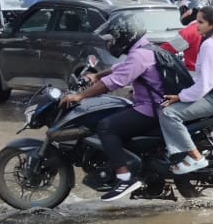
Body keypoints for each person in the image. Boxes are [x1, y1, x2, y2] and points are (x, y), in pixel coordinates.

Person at [60, 13, 163, 201]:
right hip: (152, 105)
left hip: (151, 109)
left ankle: (124, 177)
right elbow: (121, 68)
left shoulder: (140, 55)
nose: (113, 42)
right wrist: (97, 75)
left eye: (115, 37)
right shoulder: (145, 49)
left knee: (106, 126)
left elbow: (114, 82)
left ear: (127, 35)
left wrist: (80, 95)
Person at [159, 5, 213, 175]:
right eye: (196, 21)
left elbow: (205, 84)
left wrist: (180, 97)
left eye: (201, 22)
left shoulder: (210, 45)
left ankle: (195, 157)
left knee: (168, 113)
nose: (197, 26)